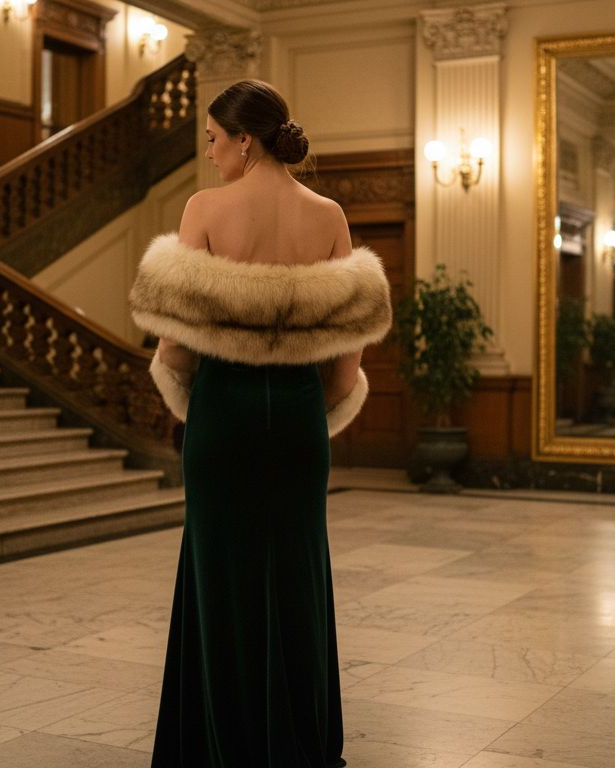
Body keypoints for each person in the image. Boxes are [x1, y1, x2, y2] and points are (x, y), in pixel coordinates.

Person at [127, 79, 392, 768]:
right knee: (297, 575)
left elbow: (177, 346)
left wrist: (197, 398)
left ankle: (220, 746)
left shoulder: (205, 209)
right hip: (299, 422)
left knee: (219, 578)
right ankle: (299, 743)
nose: (210, 154)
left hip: (223, 414)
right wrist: (312, 409)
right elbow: (345, 360)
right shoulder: (329, 214)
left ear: (246, 138)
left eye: (214, 140)